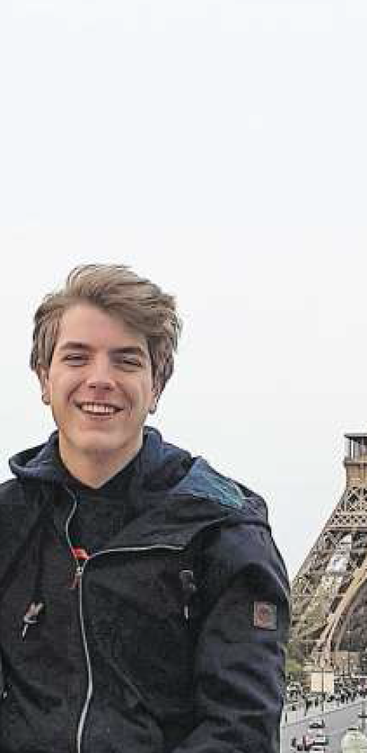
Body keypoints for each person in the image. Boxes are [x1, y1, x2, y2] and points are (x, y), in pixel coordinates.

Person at [0, 264, 289, 752]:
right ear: (44, 378)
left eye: (126, 361)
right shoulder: (8, 523)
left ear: (156, 386)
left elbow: (240, 729)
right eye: (77, 358)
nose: (100, 379)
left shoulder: (223, 530)